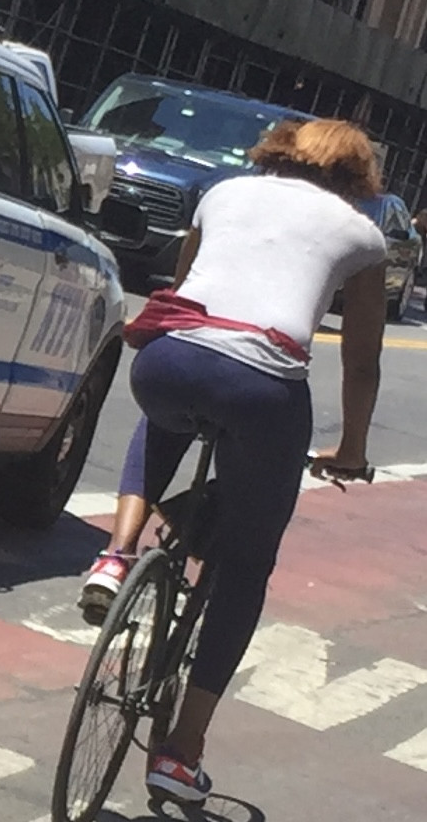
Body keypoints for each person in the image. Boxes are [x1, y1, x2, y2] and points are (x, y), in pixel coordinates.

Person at [77, 118, 387, 805]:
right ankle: (182, 751)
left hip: (169, 359)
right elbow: (361, 362)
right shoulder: (364, 238)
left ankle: (116, 554)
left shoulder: (224, 192)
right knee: (246, 567)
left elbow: (184, 292)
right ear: (356, 177)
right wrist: (353, 449)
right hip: (262, 387)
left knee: (165, 416)